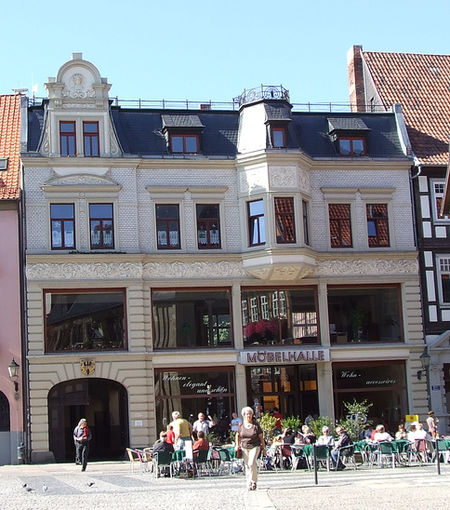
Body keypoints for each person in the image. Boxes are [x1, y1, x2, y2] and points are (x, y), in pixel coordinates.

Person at [235, 406, 266, 491]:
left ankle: (254, 481)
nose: (249, 415)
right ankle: (249, 483)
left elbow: (261, 437)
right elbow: (237, 435)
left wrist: (264, 448)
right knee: (247, 465)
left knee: (251, 463)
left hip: (255, 446)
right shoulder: (241, 425)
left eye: (250, 414)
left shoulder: (255, 425)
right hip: (244, 447)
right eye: (247, 414)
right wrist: (237, 445)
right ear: (243, 415)